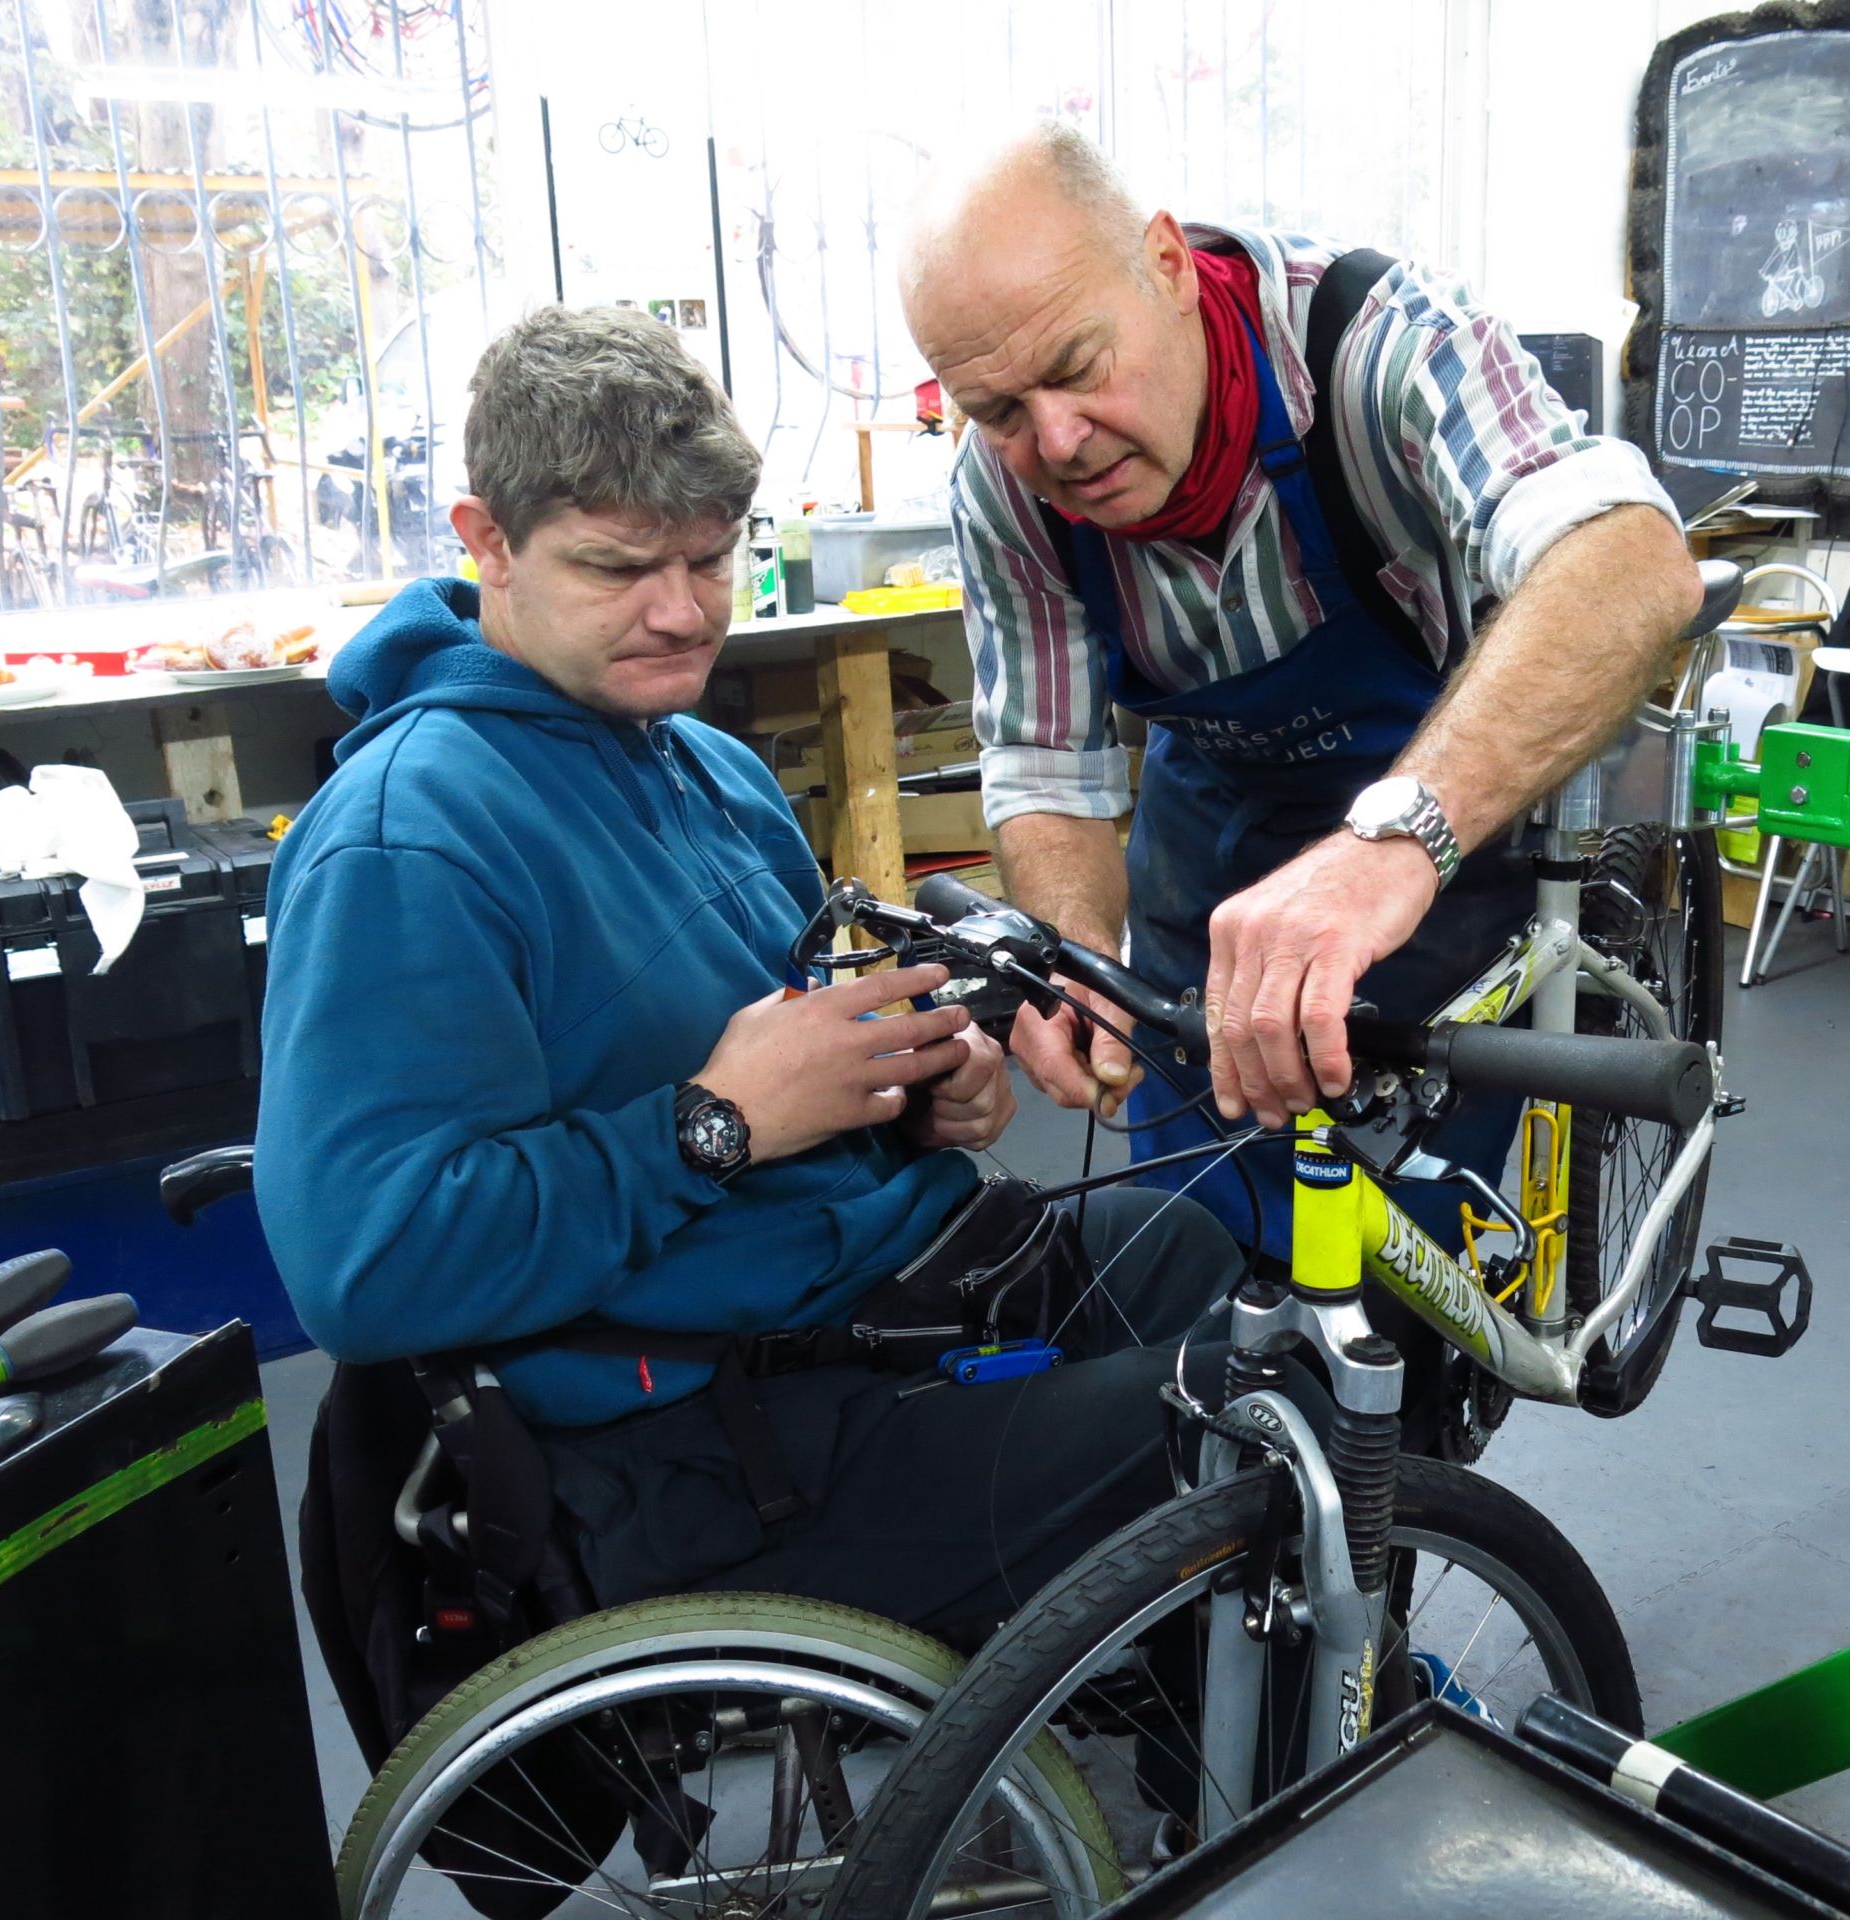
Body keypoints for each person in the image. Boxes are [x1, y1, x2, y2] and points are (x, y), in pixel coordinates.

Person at [255, 305, 1242, 1636]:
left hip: (855, 1304)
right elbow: (366, 1274)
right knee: (1251, 1398)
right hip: (702, 1445)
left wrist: (916, 1091)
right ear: (484, 539)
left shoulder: (699, 761)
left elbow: (797, 1061)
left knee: (1183, 1254)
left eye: (712, 560)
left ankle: (1154, 1723)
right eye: (617, 569)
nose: (681, 614)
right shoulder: (410, 840)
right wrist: (713, 1124)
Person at [900, 126, 1704, 1256]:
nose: (1059, 441)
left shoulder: (1383, 345)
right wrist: (1073, 959)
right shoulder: (1006, 485)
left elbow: (1628, 561)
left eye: (1078, 368)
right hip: (1213, 816)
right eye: (998, 411)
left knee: (1398, 1231)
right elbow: (1045, 764)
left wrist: (1392, 841)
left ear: (1169, 265)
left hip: (1439, 800)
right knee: (1185, 1216)